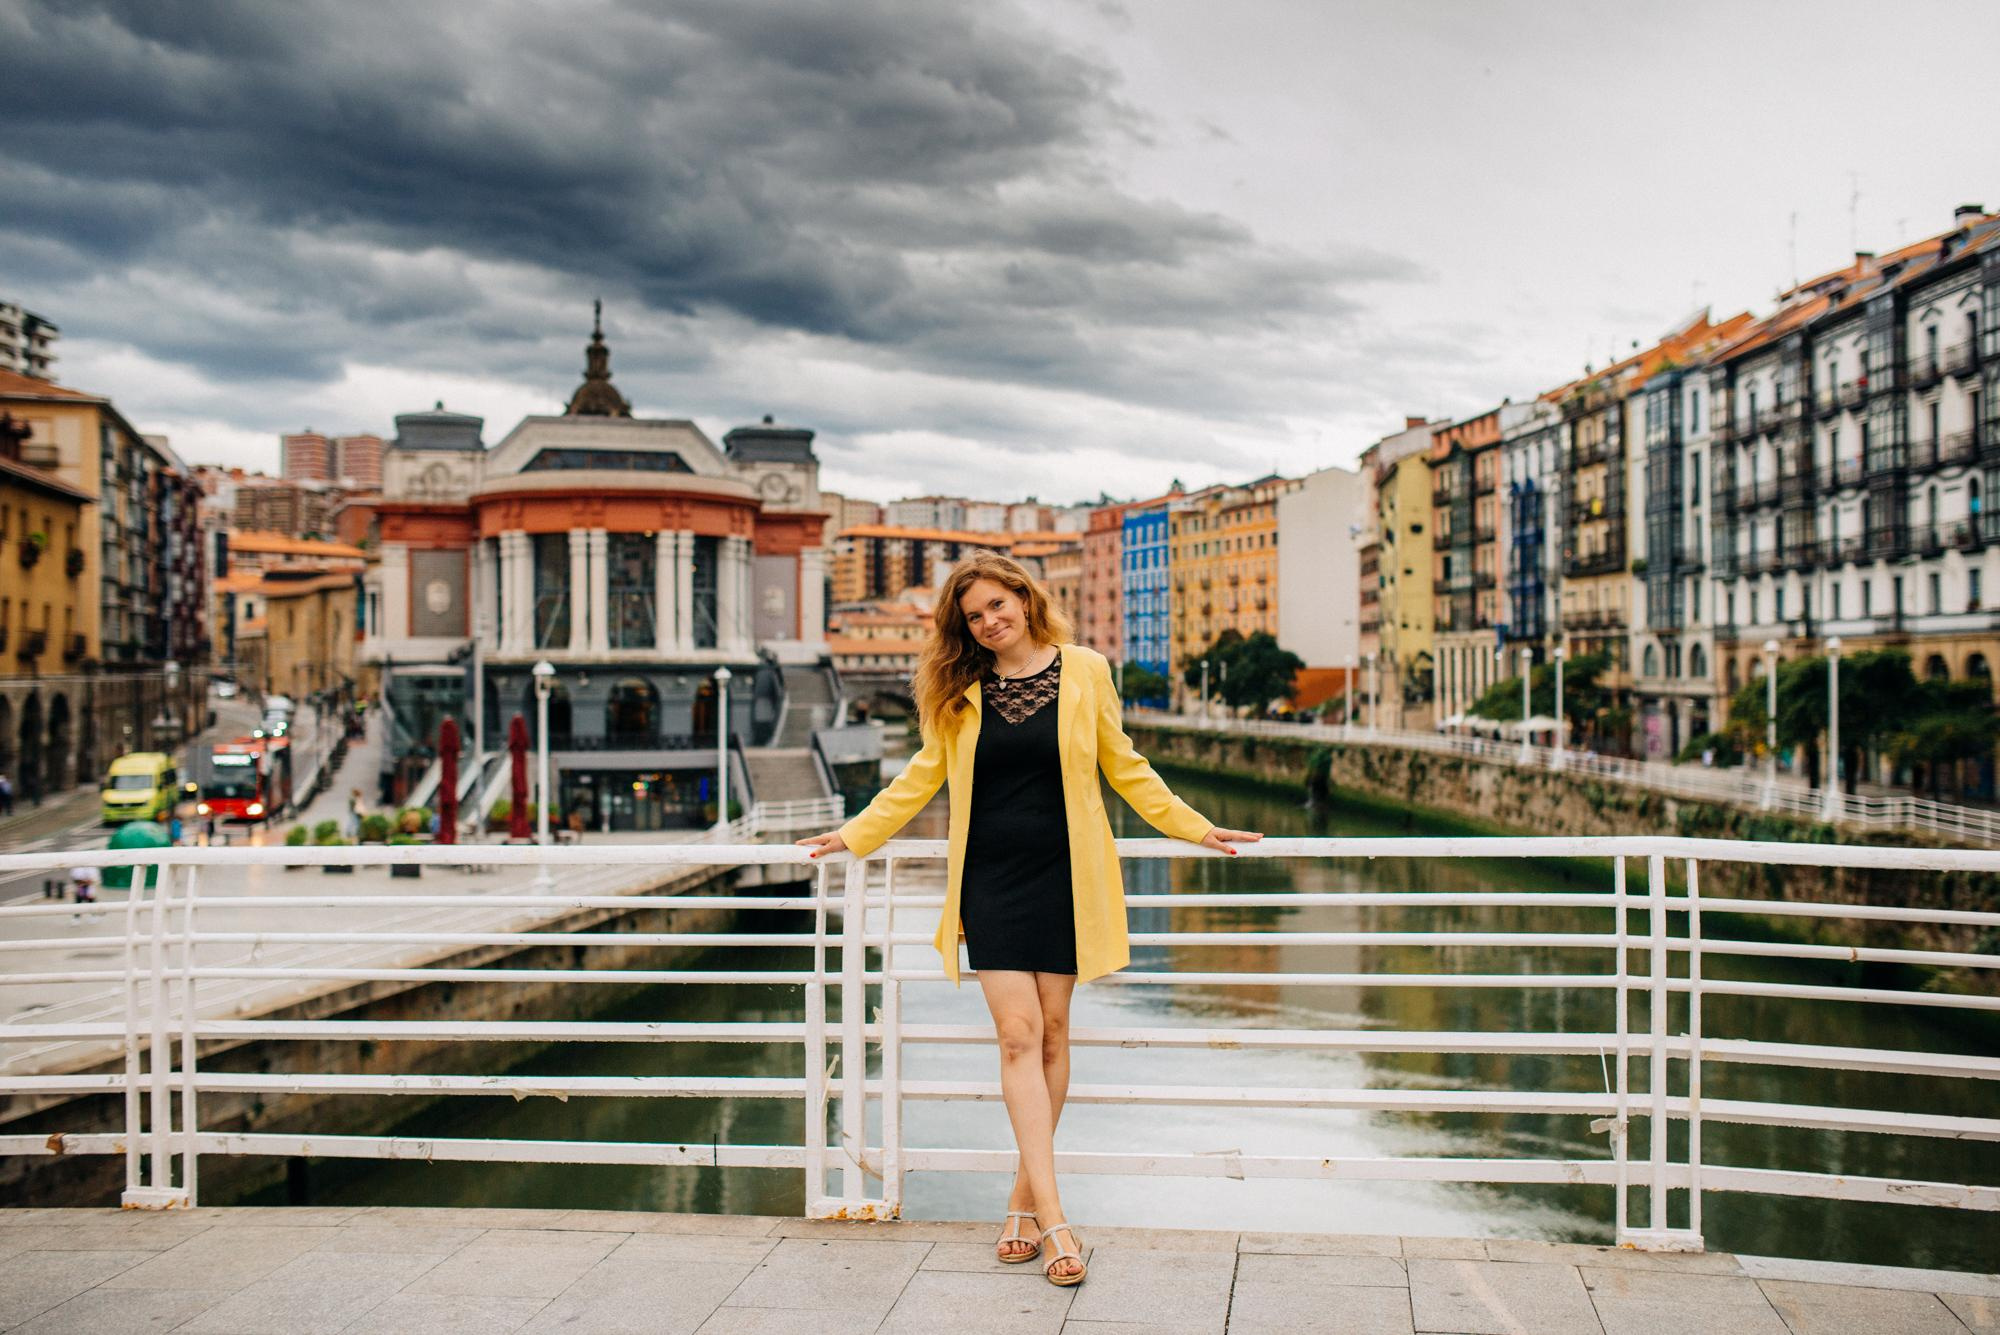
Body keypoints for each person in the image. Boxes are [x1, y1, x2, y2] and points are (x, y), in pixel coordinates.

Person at [797, 552, 1261, 1288]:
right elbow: (921, 775)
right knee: (1016, 1034)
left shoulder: (1086, 670)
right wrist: (855, 833)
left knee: (1052, 1033)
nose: (989, 621)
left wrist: (1197, 827)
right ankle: (1056, 1219)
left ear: (1023, 597)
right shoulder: (958, 688)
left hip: (1066, 875)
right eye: (973, 616)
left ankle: (1020, 1205)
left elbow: (1125, 765)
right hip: (989, 879)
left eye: (997, 605)